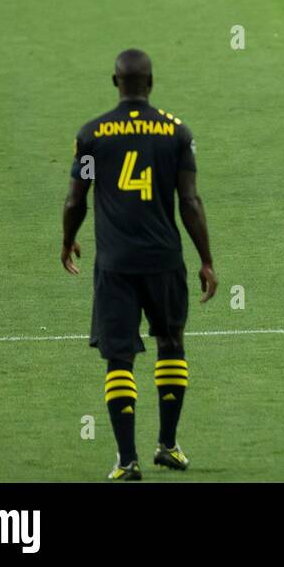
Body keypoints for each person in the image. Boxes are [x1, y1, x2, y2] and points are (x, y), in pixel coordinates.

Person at [61, 49, 217, 480]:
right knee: (170, 343)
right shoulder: (176, 133)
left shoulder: (92, 136)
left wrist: (68, 238)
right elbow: (189, 200)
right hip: (164, 261)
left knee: (119, 358)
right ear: (151, 82)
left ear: (116, 82)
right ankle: (168, 445)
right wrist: (205, 260)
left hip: (115, 265)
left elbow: (78, 196)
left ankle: (126, 460)